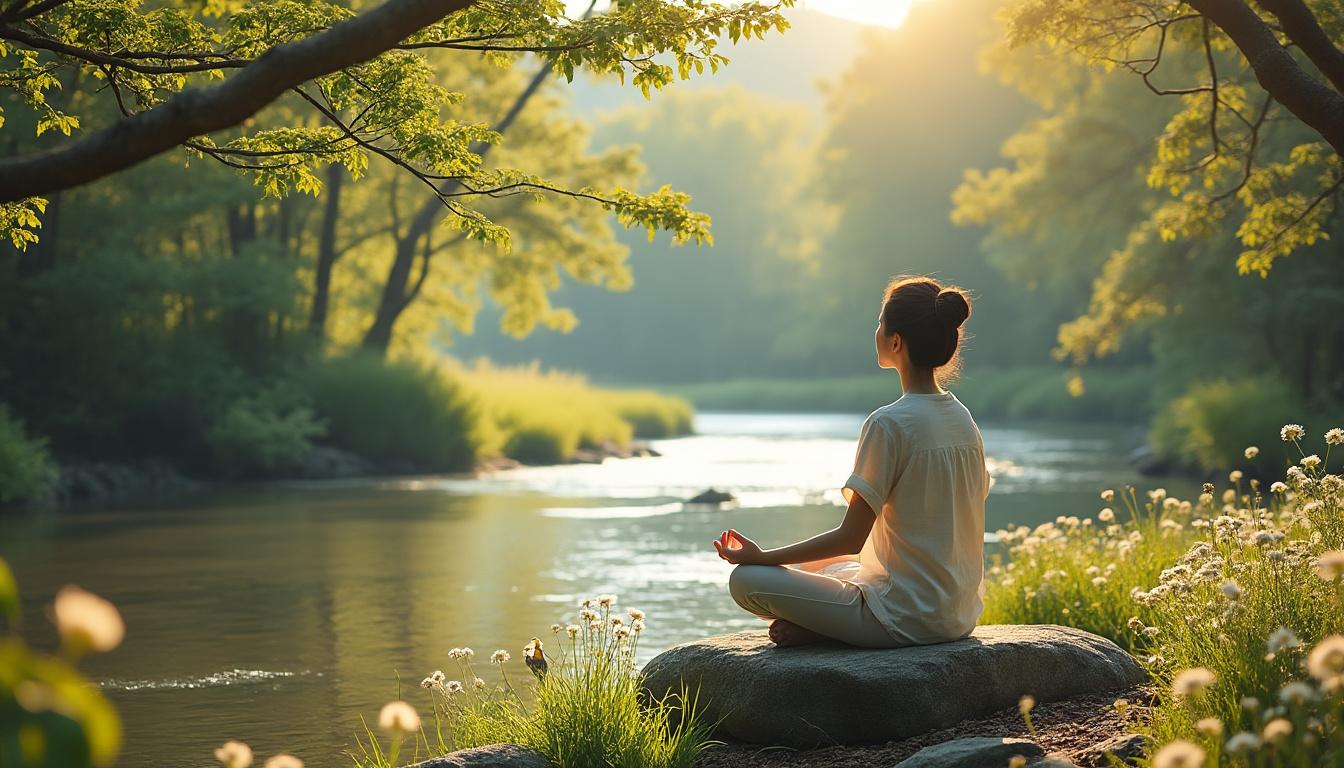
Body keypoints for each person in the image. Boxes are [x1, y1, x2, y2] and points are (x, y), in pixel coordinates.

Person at [713, 276, 991, 648]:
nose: (875, 330)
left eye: (879, 322)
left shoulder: (888, 424)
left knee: (746, 580)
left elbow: (850, 537)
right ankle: (820, 626)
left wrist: (762, 557)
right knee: (813, 567)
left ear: (896, 341)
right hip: (957, 615)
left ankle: (825, 630)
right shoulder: (964, 420)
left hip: (901, 618)